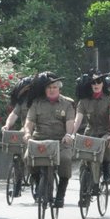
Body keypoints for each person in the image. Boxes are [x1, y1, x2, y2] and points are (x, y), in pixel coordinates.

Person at [23, 72, 76, 209]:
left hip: (60, 141)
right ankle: (36, 181)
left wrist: (68, 135)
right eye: (49, 88)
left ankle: (61, 193)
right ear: (45, 89)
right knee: (27, 157)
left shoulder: (67, 104)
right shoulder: (37, 103)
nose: (51, 90)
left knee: (65, 159)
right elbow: (30, 120)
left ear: (59, 89)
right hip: (40, 138)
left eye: (54, 87)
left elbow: (70, 123)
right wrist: (27, 133)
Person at [74, 72, 110, 184]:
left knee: (106, 142)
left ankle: (106, 167)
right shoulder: (83, 102)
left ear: (103, 84)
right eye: (93, 82)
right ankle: (84, 188)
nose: (96, 84)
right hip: (91, 132)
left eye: (99, 82)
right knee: (84, 159)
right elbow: (77, 120)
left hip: (106, 131)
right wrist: (71, 134)